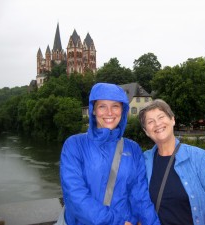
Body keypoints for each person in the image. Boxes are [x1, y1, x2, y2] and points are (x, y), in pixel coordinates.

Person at [60, 83, 160, 225]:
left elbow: (140, 198)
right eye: (102, 106)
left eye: (115, 106)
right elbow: (75, 196)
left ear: (123, 110)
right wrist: (116, 222)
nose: (109, 112)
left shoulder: (133, 149)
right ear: (93, 110)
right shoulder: (74, 145)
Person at [139, 99, 205, 225]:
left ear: (172, 119)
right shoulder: (143, 161)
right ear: (146, 131)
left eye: (161, 117)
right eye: (150, 122)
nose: (157, 124)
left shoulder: (199, 157)